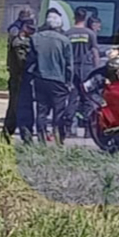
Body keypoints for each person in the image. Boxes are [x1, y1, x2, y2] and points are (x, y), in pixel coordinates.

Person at [27, 11, 73, 145]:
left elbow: (30, 60)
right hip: (59, 80)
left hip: (40, 79)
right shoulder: (64, 40)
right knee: (58, 112)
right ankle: (59, 140)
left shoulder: (35, 38)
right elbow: (69, 65)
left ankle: (42, 140)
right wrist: (68, 82)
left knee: (41, 110)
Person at [65, 7, 100, 136]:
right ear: (85, 18)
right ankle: (87, 128)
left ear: (74, 16)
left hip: (72, 69)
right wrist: (97, 71)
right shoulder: (90, 34)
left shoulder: (68, 33)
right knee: (88, 98)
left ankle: (68, 127)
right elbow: (95, 53)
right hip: (87, 69)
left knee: (72, 98)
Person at [3, 15, 35, 142]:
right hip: (19, 79)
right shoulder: (19, 42)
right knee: (16, 107)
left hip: (21, 79)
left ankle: (16, 133)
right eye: (30, 28)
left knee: (20, 107)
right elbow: (22, 62)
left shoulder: (24, 40)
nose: (32, 32)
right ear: (24, 27)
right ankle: (9, 133)